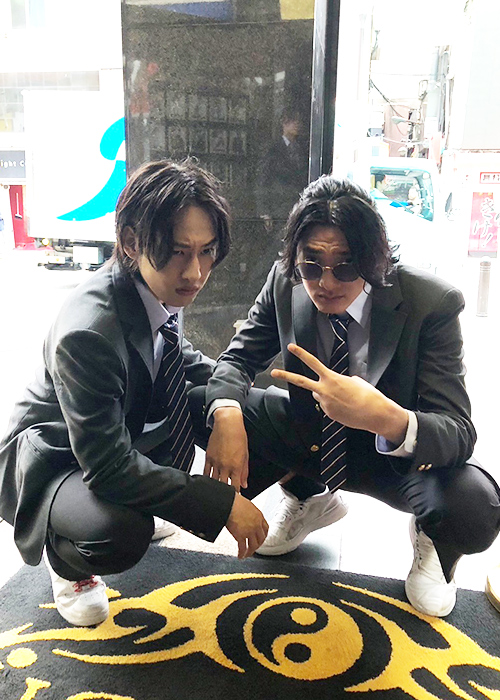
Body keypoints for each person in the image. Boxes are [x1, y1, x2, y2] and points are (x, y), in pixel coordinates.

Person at [203, 174, 500, 617]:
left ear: (373, 258)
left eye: (345, 266)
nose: (325, 282)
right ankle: (308, 496)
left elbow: (458, 431)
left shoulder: (430, 302)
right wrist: (227, 414)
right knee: (205, 403)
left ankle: (435, 543)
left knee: (476, 506)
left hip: (395, 463)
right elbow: (236, 360)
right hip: (313, 442)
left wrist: (385, 417)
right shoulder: (286, 283)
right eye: (311, 265)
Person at [0, 160, 268, 627]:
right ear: (131, 242)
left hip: (121, 425)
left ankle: (303, 496)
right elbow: (108, 468)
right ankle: (65, 559)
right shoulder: (89, 332)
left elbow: (182, 357)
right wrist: (220, 503)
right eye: (179, 252)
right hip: (56, 458)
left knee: (258, 411)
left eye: (206, 251)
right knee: (120, 533)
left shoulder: (153, 285)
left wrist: (229, 407)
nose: (196, 272)